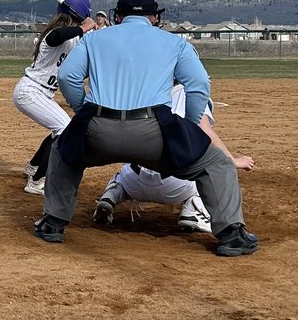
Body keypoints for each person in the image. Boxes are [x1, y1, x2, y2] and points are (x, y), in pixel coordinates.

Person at [37, 0, 258, 257]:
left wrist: (83, 111)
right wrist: (189, 128)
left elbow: (68, 76)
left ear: (118, 16)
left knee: (63, 150)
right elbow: (199, 84)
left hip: (97, 128)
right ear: (155, 17)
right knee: (216, 163)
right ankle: (231, 235)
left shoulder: (94, 40)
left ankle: (53, 224)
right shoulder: (175, 42)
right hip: (153, 132)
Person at [93, 84, 254, 233]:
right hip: (176, 185)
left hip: (134, 181)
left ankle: (113, 194)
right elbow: (205, 131)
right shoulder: (192, 91)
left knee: (124, 172)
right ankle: (193, 211)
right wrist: (233, 160)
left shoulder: (141, 88)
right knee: (208, 170)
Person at [13, 0, 95, 195]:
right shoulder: (53, 33)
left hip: (42, 93)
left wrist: (95, 31)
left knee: (58, 128)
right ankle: (37, 181)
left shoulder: (76, 38)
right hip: (31, 91)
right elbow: (59, 35)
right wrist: (83, 28)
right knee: (64, 128)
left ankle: (33, 167)